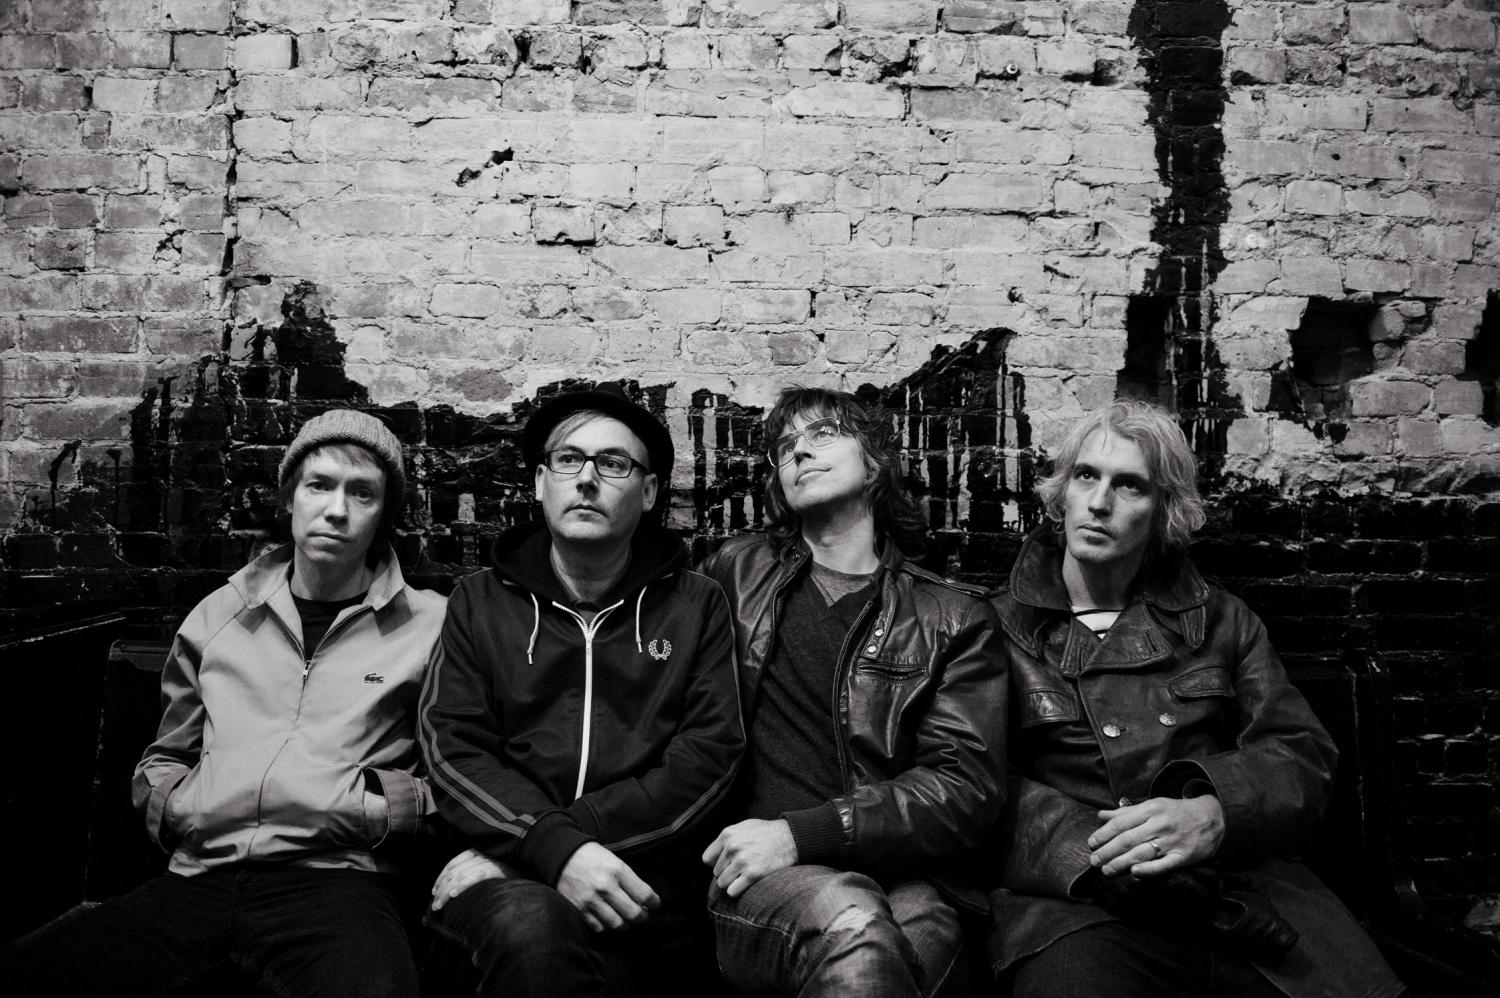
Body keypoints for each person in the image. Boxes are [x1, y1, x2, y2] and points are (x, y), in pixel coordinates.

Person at [1, 410, 447, 997]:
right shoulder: (220, 615)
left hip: (338, 881)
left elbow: (458, 772)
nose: (337, 509)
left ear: (384, 513)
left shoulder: (430, 625)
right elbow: (166, 755)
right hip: (201, 874)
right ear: (290, 498)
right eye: (319, 485)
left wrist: (379, 811)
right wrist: (182, 806)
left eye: (361, 493)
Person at [986, 398, 1403, 997]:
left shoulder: (1222, 620)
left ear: (1164, 510)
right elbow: (974, 784)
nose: (1099, 502)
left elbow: (1301, 752)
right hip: (1079, 905)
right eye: (1085, 476)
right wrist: (1101, 852)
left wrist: (1217, 812)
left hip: (1234, 894)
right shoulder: (992, 628)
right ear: (1062, 493)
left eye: (1129, 485)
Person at [418, 383, 742, 997]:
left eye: (613, 463)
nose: (587, 479)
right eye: (569, 460)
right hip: (500, 886)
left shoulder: (697, 605)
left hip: (641, 883)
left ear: (649, 493)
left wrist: (553, 844)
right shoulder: (478, 602)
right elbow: (451, 749)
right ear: (541, 482)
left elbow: (709, 759)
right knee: (531, 927)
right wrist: (547, 850)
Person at [698, 386, 1008, 998]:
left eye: (823, 434)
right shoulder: (733, 572)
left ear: (874, 463)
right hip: (760, 873)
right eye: (786, 446)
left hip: (903, 876)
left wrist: (807, 832)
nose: (799, 452)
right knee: (856, 927)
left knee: (912, 943)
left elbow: (963, 787)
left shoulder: (951, 617)